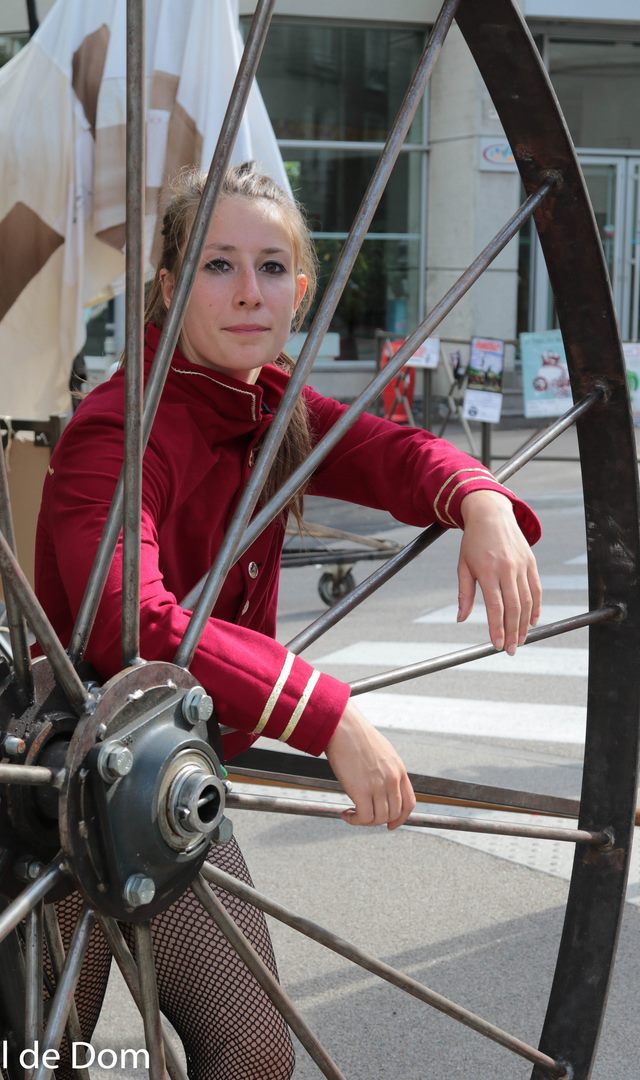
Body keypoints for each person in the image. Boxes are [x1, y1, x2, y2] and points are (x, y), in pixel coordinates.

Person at [35, 163, 541, 1079]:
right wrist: (327, 713)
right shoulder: (122, 428)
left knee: (254, 1054)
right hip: (69, 780)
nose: (248, 292)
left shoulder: (271, 404)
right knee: (44, 1056)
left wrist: (480, 498)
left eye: (271, 267)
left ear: (299, 291)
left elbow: (388, 453)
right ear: (169, 288)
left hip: (163, 772)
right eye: (218, 265)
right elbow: (126, 622)